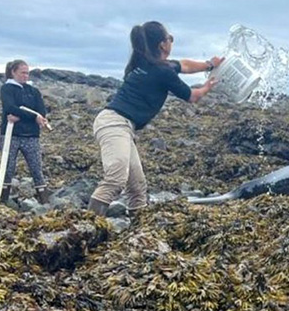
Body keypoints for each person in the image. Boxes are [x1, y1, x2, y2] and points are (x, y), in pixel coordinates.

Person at [87, 21, 222, 216]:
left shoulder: (145, 62)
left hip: (123, 126)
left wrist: (209, 65)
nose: (171, 42)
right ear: (162, 44)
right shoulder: (162, 71)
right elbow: (192, 96)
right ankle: (87, 226)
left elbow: (184, 65)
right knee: (115, 179)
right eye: (170, 39)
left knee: (137, 186)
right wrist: (209, 86)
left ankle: (136, 229)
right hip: (114, 123)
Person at [0, 59, 50, 205]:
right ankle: (3, 201)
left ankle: (45, 203)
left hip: (31, 136)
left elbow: (41, 111)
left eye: (27, 73)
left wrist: (24, 117)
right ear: (13, 72)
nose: (25, 76)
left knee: (36, 169)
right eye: (22, 73)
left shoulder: (33, 91)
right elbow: (10, 107)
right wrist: (34, 117)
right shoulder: (7, 89)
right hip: (11, 135)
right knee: (7, 169)